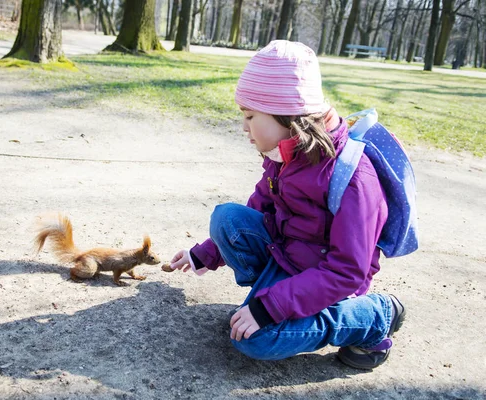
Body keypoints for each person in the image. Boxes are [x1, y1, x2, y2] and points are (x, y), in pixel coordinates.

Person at [169, 40, 406, 370]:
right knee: (227, 218)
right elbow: (259, 206)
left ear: (287, 116)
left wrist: (269, 309)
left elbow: (346, 270)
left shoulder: (353, 178)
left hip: (328, 279)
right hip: (288, 255)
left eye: (250, 116)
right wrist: (206, 254)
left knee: (257, 340)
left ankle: (375, 317)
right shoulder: (287, 153)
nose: (244, 127)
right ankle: (275, 301)